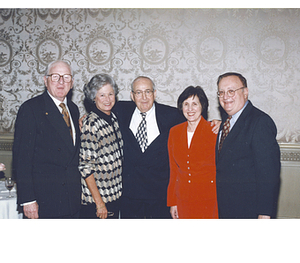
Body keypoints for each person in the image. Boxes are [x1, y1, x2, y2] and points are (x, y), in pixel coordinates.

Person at [114, 76, 220, 218]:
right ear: (132, 96)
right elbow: (102, 109)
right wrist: (84, 118)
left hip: (159, 197)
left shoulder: (171, 116)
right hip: (131, 196)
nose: (144, 97)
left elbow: (196, 120)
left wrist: (222, 122)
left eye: (148, 92)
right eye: (138, 92)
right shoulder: (121, 110)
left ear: (155, 93)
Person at [13, 60, 81, 219]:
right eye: (55, 77)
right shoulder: (31, 109)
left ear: (72, 83)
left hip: (72, 200)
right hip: (44, 202)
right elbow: (22, 159)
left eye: (66, 77)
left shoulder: (74, 109)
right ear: (45, 80)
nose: (61, 82)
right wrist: (28, 200)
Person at [216, 72, 281, 219]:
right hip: (225, 209)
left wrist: (264, 214)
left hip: (248, 212)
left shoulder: (260, 122)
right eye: (221, 92)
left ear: (245, 92)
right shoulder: (225, 123)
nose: (225, 97)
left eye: (231, 91)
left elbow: (268, 175)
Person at [167, 86, 218, 219]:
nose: (190, 109)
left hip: (209, 199)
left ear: (202, 106)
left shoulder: (213, 131)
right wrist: (173, 202)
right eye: (186, 104)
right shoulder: (174, 132)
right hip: (182, 199)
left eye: (195, 104)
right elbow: (174, 170)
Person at [79, 74, 123, 219]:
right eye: (102, 95)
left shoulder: (113, 118)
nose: (107, 99)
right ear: (93, 98)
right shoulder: (91, 123)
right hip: (98, 202)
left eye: (110, 94)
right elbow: (85, 167)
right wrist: (99, 203)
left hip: (114, 196)